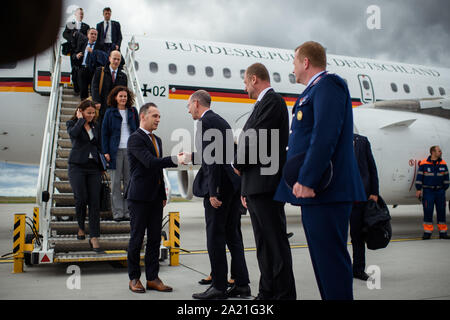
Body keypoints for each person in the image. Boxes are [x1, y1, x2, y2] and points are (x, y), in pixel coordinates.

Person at [274, 41, 366, 300]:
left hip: (327, 190)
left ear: (305, 62)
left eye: (294, 61)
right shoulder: (312, 91)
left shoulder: (329, 85)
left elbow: (325, 135)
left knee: (331, 263)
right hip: (318, 194)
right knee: (322, 264)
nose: (292, 67)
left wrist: (308, 179)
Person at [233, 63, 296, 300]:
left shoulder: (273, 102)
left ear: (254, 79)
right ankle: (267, 292)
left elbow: (256, 140)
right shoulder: (261, 105)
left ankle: (283, 295)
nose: (245, 88)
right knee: (263, 245)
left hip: (266, 184)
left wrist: (237, 164)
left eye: (245, 82)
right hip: (255, 185)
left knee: (275, 243)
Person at [181, 90, 250, 300]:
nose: (188, 109)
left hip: (219, 187)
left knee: (215, 237)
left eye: (189, 105)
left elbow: (213, 160)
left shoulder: (204, 122)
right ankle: (242, 285)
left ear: (196, 103)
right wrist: (193, 157)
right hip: (231, 185)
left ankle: (218, 287)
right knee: (232, 236)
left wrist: (214, 191)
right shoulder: (221, 121)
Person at [126, 103, 182, 293]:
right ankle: (134, 278)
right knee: (137, 238)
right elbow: (150, 163)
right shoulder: (135, 139)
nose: (158, 119)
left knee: (154, 240)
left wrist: (163, 194)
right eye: (155, 116)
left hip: (155, 197)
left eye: (159, 116)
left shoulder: (157, 139)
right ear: (143, 116)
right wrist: (176, 159)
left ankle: (152, 278)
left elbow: (158, 171)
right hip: (139, 197)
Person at [66, 99, 104, 253]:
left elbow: (98, 144)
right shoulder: (72, 124)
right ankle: (81, 227)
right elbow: (73, 136)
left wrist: (103, 163)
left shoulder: (96, 125)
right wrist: (81, 120)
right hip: (77, 166)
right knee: (81, 199)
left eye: (93, 113)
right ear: (81, 111)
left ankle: (94, 237)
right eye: (88, 113)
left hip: (94, 167)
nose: (91, 115)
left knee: (95, 203)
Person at [102, 86, 139, 222]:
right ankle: (118, 213)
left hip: (130, 151)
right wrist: (105, 151)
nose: (123, 98)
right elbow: (104, 133)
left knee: (130, 182)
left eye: (125, 96)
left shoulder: (133, 111)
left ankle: (129, 211)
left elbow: (137, 130)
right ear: (115, 98)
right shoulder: (110, 112)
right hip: (115, 151)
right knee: (116, 183)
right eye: (121, 96)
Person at [351, 133, 380, 281]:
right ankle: (340, 268)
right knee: (337, 237)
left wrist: (374, 192)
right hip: (339, 199)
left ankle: (358, 269)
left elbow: (371, 167)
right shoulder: (332, 139)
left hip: (359, 198)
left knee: (358, 236)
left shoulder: (362, 141)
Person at [415, 146, 450, 240]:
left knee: (442, 211)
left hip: (440, 192)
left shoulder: (443, 164)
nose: (441, 152)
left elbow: (446, 179)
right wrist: (418, 189)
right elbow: (419, 178)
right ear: (433, 152)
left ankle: (443, 232)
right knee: (428, 211)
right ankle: (427, 232)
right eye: (439, 151)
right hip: (428, 191)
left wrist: (443, 189)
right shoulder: (424, 163)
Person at [91, 50, 128, 126]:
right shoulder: (100, 71)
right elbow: (94, 87)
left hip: (115, 110)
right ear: (109, 58)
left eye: (118, 59)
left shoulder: (123, 76)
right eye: (114, 59)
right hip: (101, 108)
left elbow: (124, 93)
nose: (116, 61)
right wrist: (96, 102)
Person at [72, 28, 106, 100]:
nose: (93, 35)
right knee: (83, 90)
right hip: (82, 69)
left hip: (94, 70)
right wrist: (76, 56)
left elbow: (103, 58)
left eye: (95, 34)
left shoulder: (100, 46)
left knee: (93, 91)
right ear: (87, 35)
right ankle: (83, 107)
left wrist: (93, 52)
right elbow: (74, 54)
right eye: (91, 34)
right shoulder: (82, 44)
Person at [63, 8, 89, 96]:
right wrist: (72, 37)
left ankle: (82, 89)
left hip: (82, 51)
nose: (81, 15)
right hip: (73, 51)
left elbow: (87, 38)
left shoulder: (86, 26)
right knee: (74, 70)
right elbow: (65, 34)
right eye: (79, 14)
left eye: (82, 14)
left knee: (81, 71)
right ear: (75, 14)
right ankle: (76, 89)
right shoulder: (70, 24)